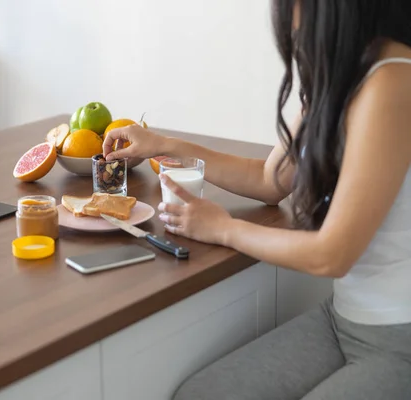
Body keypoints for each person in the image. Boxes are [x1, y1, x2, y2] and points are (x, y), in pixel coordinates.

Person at [102, 0, 411, 399]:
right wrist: (161, 143)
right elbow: (269, 180)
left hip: (398, 341)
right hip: (344, 321)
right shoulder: (346, 71)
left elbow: (332, 254)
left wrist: (225, 228)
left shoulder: (393, 83)